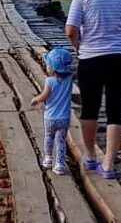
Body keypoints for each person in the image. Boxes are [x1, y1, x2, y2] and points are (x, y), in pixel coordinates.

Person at [65, 0, 121, 180]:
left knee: (90, 109)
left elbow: (70, 30)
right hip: (120, 58)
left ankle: (90, 156)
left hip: (91, 59)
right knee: (116, 111)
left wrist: (79, 48)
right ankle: (108, 164)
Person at [30, 47, 74, 175]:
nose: (46, 67)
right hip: (64, 118)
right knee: (61, 141)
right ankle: (59, 164)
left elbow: (44, 96)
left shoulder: (49, 81)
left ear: (53, 68)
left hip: (50, 117)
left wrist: (35, 99)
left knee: (49, 137)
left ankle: (48, 159)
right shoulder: (69, 80)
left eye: (48, 64)